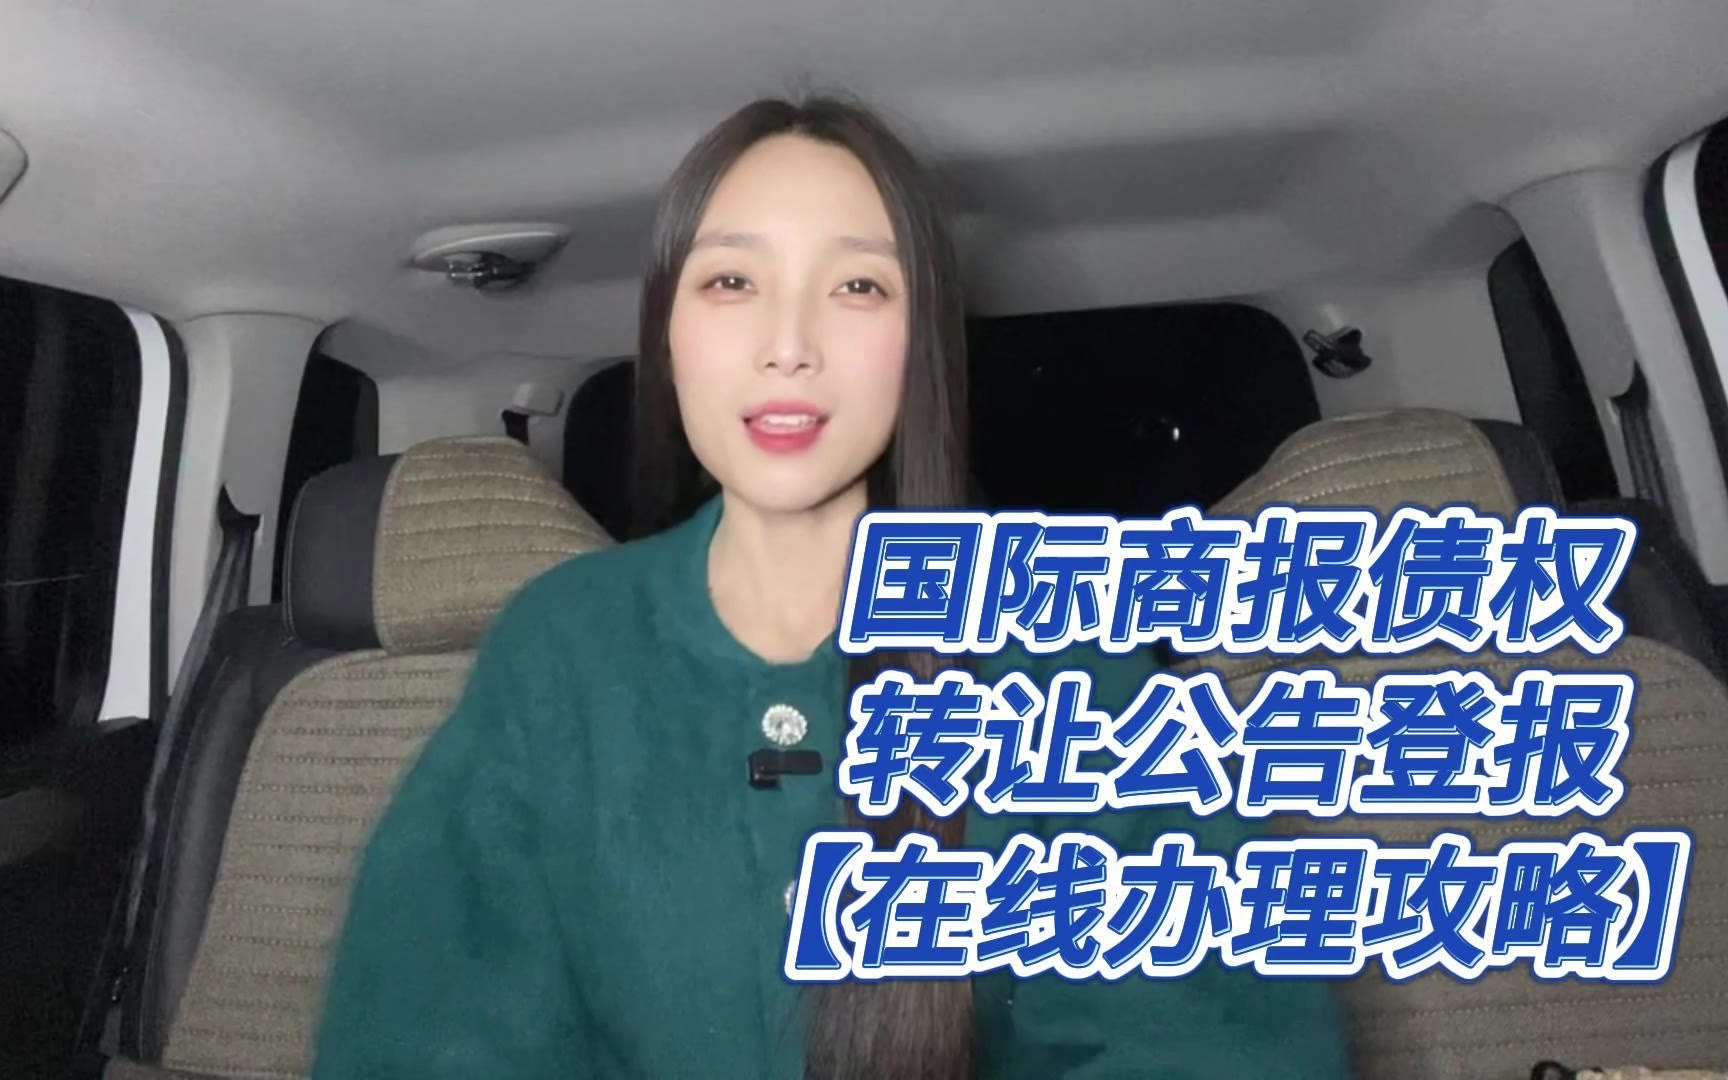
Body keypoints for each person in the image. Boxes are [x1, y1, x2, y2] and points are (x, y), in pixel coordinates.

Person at [312, 95, 1349, 1079]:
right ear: (666, 332)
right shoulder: (559, 648)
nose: (789, 347)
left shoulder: (1061, 657)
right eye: (732, 282)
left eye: (858, 287)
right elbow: (429, 1034)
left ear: (918, 343)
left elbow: (1207, 1040)